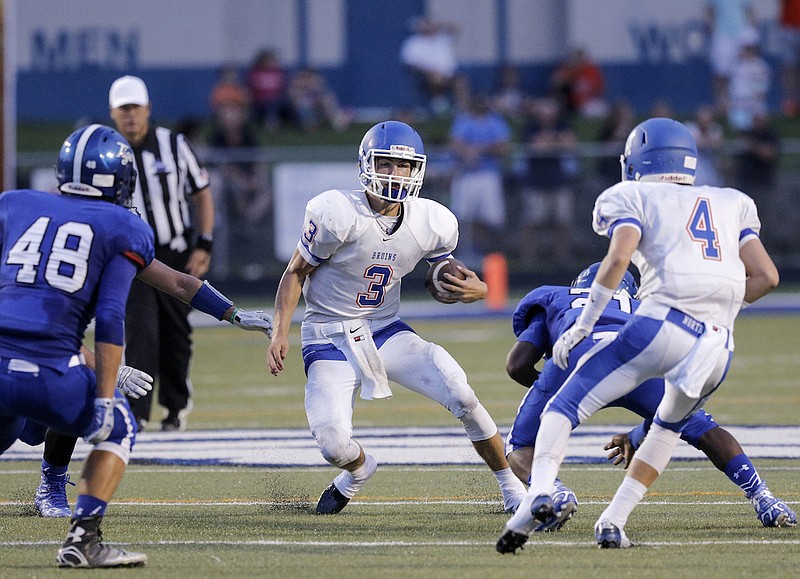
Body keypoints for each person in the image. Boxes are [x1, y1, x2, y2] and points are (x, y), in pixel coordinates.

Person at [497, 118, 780, 552]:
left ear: (636, 163)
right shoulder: (732, 201)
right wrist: (715, 312)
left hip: (658, 324)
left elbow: (616, 261)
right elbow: (767, 276)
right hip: (716, 344)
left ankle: (540, 495)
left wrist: (586, 324)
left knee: (563, 407)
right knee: (668, 429)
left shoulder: (631, 194)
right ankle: (614, 521)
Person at [267, 120, 526, 515]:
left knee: (461, 393)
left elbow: (441, 270)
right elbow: (296, 272)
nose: (394, 173)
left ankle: (511, 487)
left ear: (416, 170)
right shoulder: (336, 213)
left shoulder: (432, 220)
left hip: (386, 330)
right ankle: (358, 470)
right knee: (334, 445)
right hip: (329, 335)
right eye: (386, 164)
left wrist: (475, 288)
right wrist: (280, 332)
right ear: (367, 164)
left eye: (403, 166)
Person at [501, 263, 795, 536]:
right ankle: (764, 498)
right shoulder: (645, 304)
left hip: (579, 359)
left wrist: (559, 393)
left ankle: (554, 491)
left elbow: (517, 365)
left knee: (519, 445)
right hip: (639, 356)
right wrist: (639, 432)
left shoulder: (556, 296)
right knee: (703, 429)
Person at [0, 124, 151, 567]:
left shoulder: (14, 205)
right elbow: (109, 316)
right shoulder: (124, 227)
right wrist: (106, 395)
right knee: (119, 426)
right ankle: (83, 541)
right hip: (51, 371)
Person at [32, 257, 273, 518]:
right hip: (19, 352)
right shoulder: (58, 256)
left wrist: (233, 314)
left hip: (48, 355)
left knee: (68, 405)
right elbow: (48, 334)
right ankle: (83, 537)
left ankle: (56, 493)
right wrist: (112, 370)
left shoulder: (115, 241)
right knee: (77, 402)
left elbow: (178, 282)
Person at [109, 75, 215, 431]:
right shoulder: (108, 151)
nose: (130, 117)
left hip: (173, 251)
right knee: (139, 332)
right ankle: (136, 413)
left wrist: (205, 242)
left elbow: (201, 193)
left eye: (135, 108)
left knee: (176, 334)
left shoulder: (174, 144)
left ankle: (175, 407)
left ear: (148, 109)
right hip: (128, 255)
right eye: (123, 110)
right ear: (112, 113)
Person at [447, 94, 511, 267]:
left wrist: (480, 149)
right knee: (463, 215)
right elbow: (455, 143)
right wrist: (468, 152)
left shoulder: (495, 121)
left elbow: (503, 146)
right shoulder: (464, 120)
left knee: (488, 217)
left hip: (488, 174)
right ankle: (462, 253)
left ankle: (483, 252)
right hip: (466, 174)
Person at [517, 97, 579, 266]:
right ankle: (528, 262)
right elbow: (537, 146)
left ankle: (563, 260)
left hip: (558, 182)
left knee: (562, 223)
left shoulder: (562, 125)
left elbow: (570, 144)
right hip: (536, 182)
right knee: (532, 222)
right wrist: (556, 141)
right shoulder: (531, 128)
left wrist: (550, 142)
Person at [705, 0, 758, 116]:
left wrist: (750, 30)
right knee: (721, 72)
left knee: (747, 69)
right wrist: (713, 30)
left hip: (742, 31)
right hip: (722, 33)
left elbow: (749, 10)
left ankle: (748, 104)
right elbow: (709, 10)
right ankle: (721, 103)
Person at [399, 17, 459, 116]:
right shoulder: (413, 43)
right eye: (427, 26)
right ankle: (439, 106)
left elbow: (455, 29)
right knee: (436, 78)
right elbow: (409, 63)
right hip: (424, 75)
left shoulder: (442, 39)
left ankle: (462, 111)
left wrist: (440, 25)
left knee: (461, 82)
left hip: (448, 75)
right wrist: (429, 71)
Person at [549, 47, 607, 119]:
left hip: (589, 102)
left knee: (601, 110)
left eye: (581, 57)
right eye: (575, 57)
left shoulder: (592, 70)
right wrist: (570, 72)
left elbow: (599, 90)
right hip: (571, 104)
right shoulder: (567, 69)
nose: (579, 60)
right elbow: (555, 82)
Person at [246, 48, 288, 132]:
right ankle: (271, 123)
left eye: (273, 60)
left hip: (277, 101)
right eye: (269, 60)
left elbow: (282, 89)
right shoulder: (255, 73)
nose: (272, 62)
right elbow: (252, 91)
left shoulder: (278, 73)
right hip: (260, 103)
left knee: (275, 102)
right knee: (270, 103)